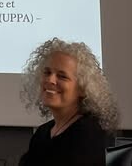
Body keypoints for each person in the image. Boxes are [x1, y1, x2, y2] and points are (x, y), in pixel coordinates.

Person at [19, 38, 119, 166]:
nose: (50, 80)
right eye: (47, 72)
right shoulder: (42, 133)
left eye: (62, 76)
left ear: (82, 88)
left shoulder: (89, 135)